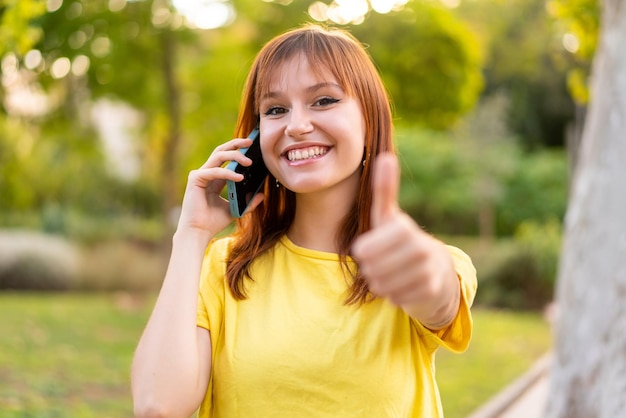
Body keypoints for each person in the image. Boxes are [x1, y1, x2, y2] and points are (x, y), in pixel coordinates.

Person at [131, 23, 477, 418]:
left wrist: (421, 272)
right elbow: (158, 407)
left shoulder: (426, 263)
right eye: (276, 109)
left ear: (369, 120)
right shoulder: (224, 267)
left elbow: (437, 294)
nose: (296, 125)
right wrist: (191, 235)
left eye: (324, 100)